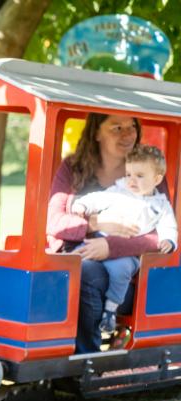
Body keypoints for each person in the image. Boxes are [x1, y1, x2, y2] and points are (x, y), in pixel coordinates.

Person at [47, 113, 166, 354]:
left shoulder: (148, 172)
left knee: (86, 273)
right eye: (117, 128)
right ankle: (50, 351)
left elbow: (160, 237)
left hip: (126, 278)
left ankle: (86, 359)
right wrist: (96, 223)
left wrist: (111, 247)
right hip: (72, 256)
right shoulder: (72, 168)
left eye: (132, 127)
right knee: (67, 269)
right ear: (96, 133)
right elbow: (54, 222)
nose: (128, 134)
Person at [71, 145, 176, 334]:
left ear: (157, 179)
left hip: (126, 254)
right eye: (129, 174)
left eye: (140, 176)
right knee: (73, 258)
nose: (132, 180)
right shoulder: (119, 191)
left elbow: (169, 226)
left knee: (122, 271)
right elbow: (98, 198)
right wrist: (83, 205)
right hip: (99, 241)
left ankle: (110, 310)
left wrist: (169, 240)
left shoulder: (161, 205)